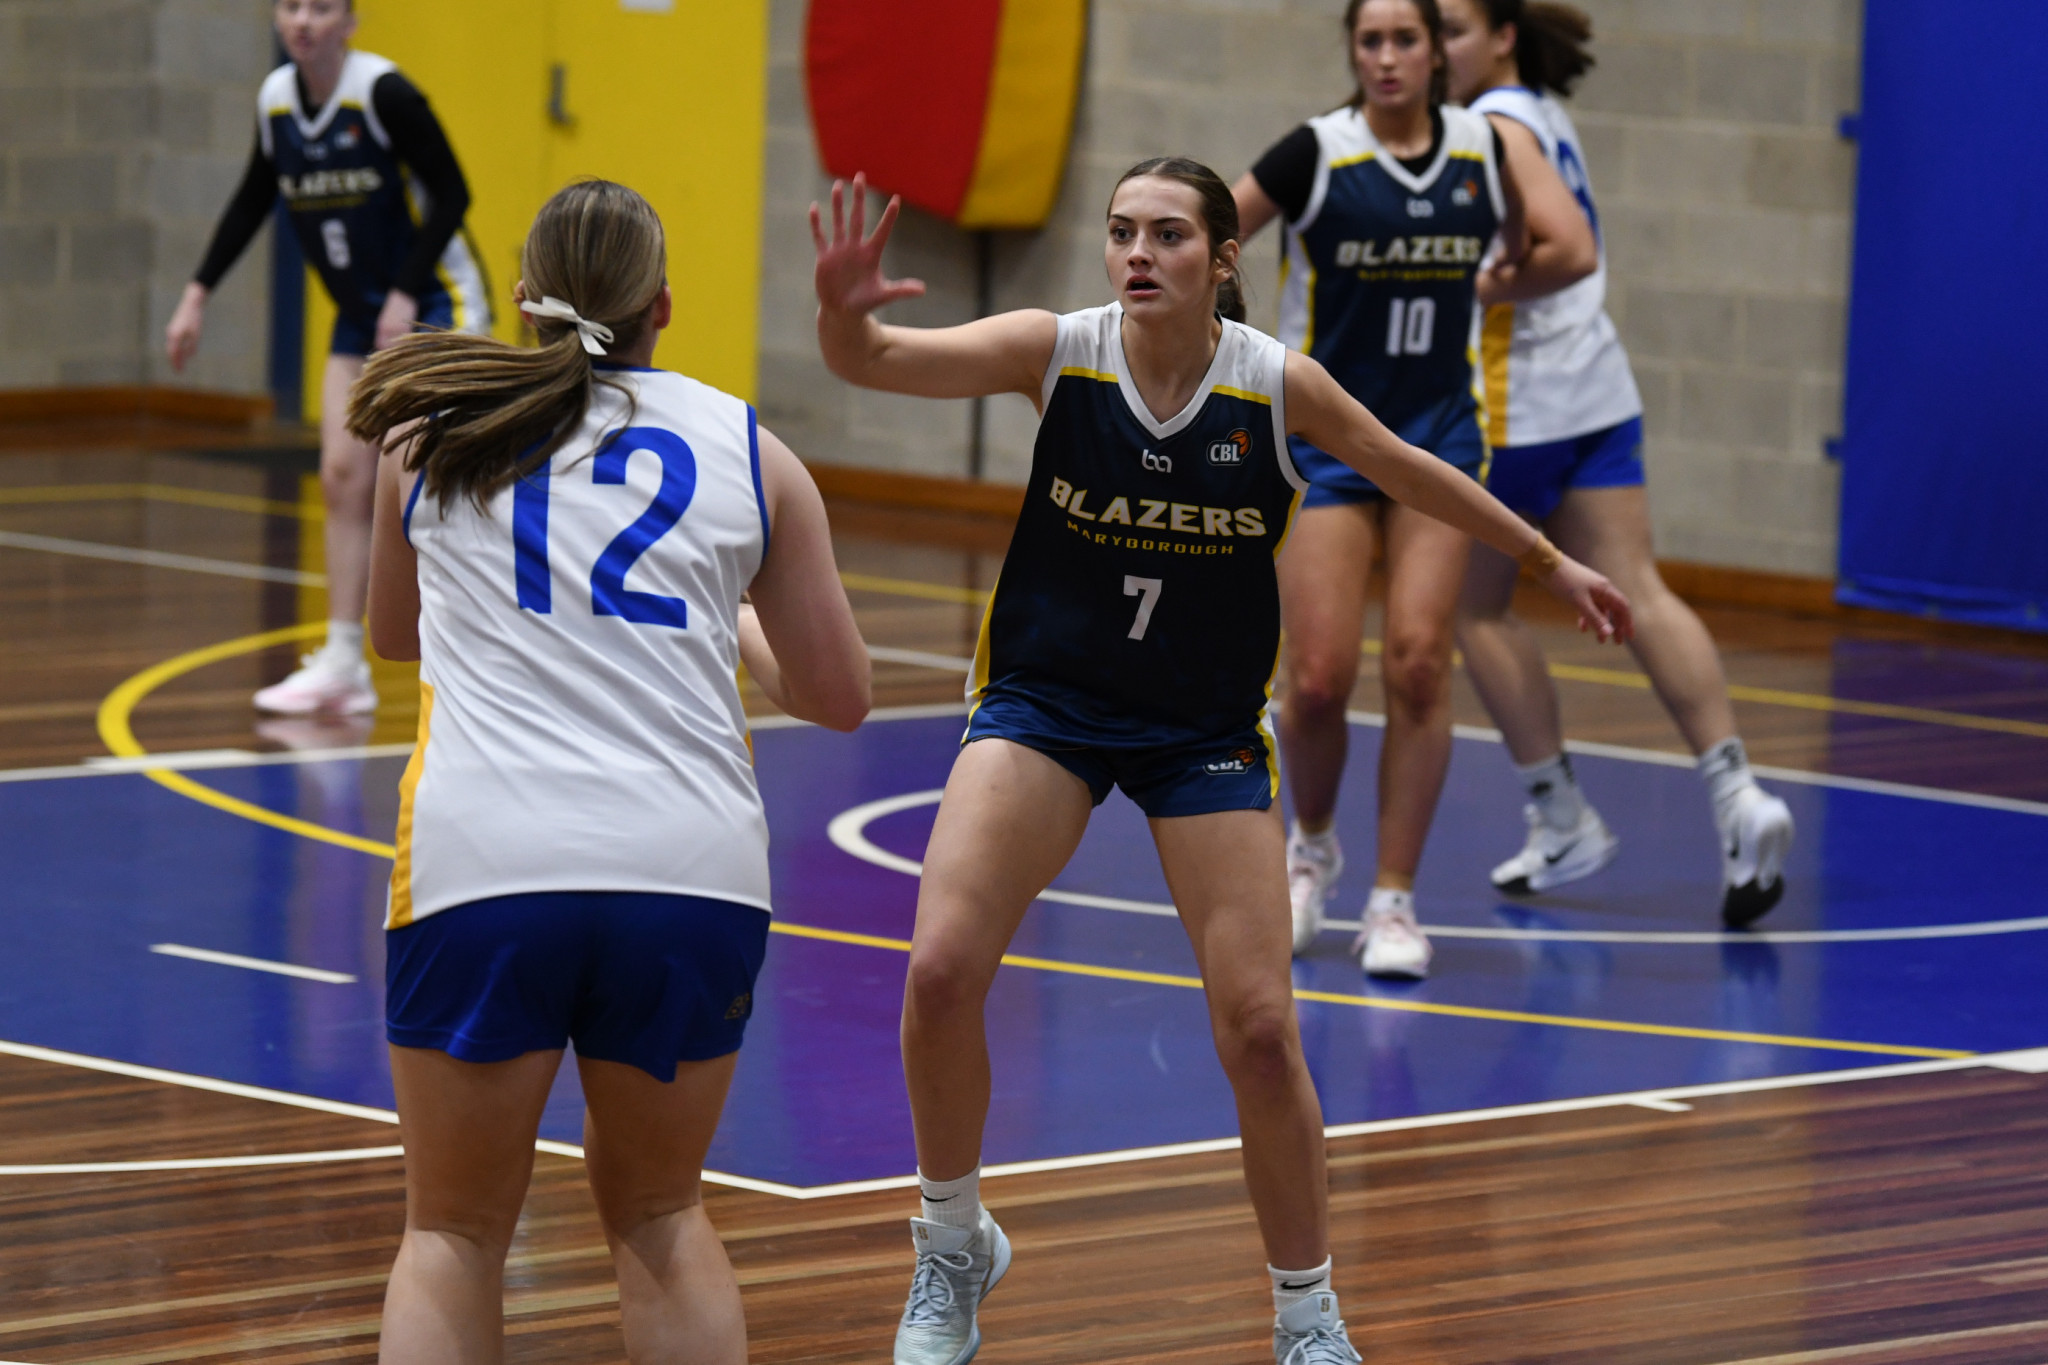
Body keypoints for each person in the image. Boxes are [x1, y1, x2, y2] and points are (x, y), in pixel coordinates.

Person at [811, 162, 1627, 1364]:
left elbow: (1407, 468)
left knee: (1258, 1027)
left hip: (1197, 728)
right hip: (1046, 702)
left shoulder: (1271, 383)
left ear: (1220, 257)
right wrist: (843, 310)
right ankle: (949, 1244)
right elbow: (873, 362)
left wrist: (1552, 564)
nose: (1139, 253)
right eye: (1121, 232)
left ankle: (1307, 1316)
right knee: (938, 970)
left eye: (1169, 234)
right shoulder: (1059, 348)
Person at [349, 179, 870, 1364]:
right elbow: (839, 698)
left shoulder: (427, 437)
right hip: (688, 875)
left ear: (524, 301)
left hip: (484, 868)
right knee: (660, 1214)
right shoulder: (751, 448)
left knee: (453, 1235)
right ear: (663, 308)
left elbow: (394, 635)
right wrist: (724, 628)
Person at [1231, 0, 1599, 979]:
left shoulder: (1487, 145)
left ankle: (1392, 901)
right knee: (1312, 681)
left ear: (1437, 52)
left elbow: (1538, 242)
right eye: (1369, 42)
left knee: (1417, 662)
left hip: (1438, 435)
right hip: (1328, 442)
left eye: (1405, 39)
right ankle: (1309, 848)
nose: (1387, 57)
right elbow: (1206, 230)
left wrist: (1487, 286)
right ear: (1352, 54)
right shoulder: (1316, 152)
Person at [1439, 0, 1795, 925]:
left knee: (1474, 609)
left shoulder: (1488, 124)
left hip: (1516, 398)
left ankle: (1562, 817)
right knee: (1642, 586)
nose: (1434, 49)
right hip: (1597, 383)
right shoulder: (1547, 112)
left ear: (1502, 35)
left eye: (1448, 29)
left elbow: (1568, 249)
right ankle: (1737, 794)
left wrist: (1457, 284)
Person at [167, 0, 491, 717]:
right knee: (343, 474)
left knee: (446, 479)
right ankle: (346, 661)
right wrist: (197, 294)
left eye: (320, 7)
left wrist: (407, 292)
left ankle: (492, 653)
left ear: (350, 20)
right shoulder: (277, 101)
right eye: (291, 6)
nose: (303, 20)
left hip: (436, 301)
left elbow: (453, 192)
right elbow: (255, 197)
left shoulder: (383, 94)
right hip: (358, 313)